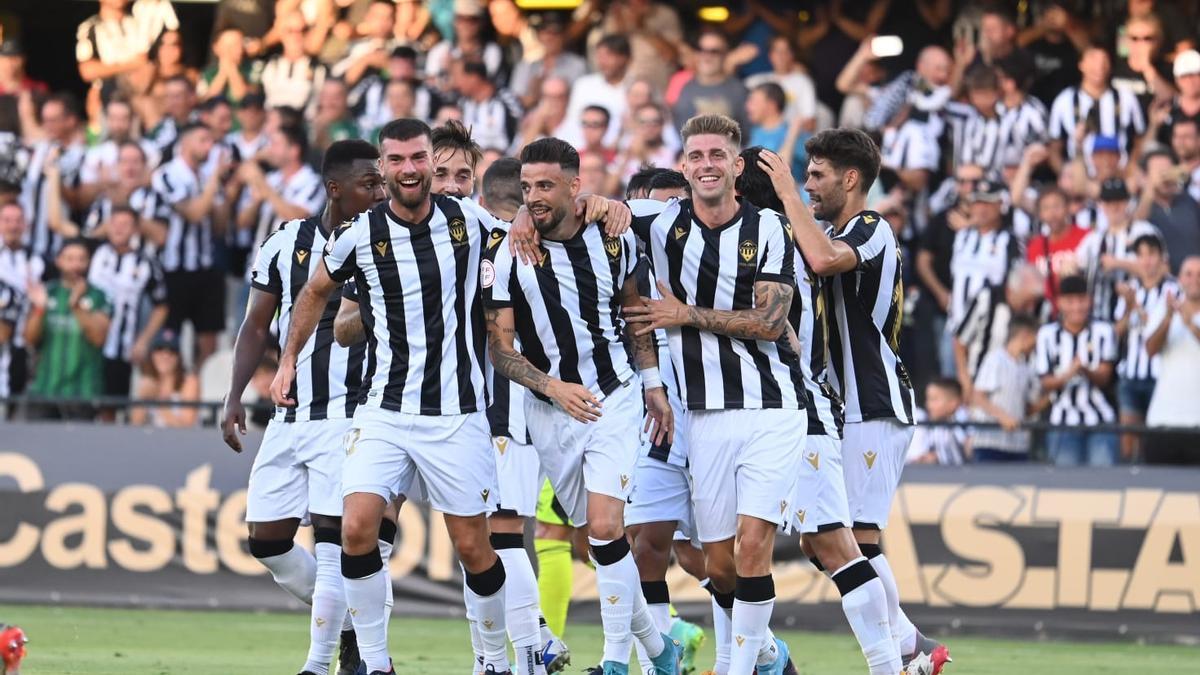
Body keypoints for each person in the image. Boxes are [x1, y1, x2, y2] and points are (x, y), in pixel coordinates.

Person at [272, 119, 509, 675]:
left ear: (430, 161)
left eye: (417, 158)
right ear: (384, 166)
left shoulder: (469, 223)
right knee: (356, 529)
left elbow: (525, 228)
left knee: (474, 548)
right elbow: (314, 292)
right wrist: (287, 359)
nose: (408, 169)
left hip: (457, 412)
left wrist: (600, 204)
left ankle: (495, 661)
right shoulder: (360, 233)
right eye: (397, 160)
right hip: (384, 410)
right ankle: (376, 664)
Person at [618, 113, 809, 675]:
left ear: (737, 165)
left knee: (753, 547)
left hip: (771, 406)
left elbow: (772, 322)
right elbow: (598, 209)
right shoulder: (659, 224)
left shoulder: (770, 228)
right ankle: (770, 653)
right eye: (696, 155)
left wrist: (685, 315)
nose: (706, 165)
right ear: (684, 165)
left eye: (717, 156)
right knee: (719, 565)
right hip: (702, 417)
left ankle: (737, 667)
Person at [483, 137, 677, 675]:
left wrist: (653, 385)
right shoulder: (507, 255)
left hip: (613, 397)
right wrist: (551, 387)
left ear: (575, 184)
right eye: (526, 189)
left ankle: (616, 661)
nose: (534, 197)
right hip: (549, 411)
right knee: (595, 540)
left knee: (605, 528)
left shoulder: (614, 237)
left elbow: (635, 312)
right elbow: (501, 348)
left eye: (545, 185)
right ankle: (661, 650)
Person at [759, 131, 946, 675]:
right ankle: (912, 642)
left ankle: (906, 651)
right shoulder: (835, 228)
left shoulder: (871, 228)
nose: (809, 184)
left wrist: (788, 193)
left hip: (874, 402)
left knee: (852, 542)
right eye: (806, 175)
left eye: (817, 175)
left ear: (850, 179)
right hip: (841, 407)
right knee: (828, 543)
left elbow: (821, 260)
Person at [221, 139, 385, 675]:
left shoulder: (384, 242)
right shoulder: (287, 240)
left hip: (346, 412)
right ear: (336, 189)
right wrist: (233, 395)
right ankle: (353, 622)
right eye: (369, 184)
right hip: (289, 416)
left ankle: (321, 662)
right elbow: (254, 324)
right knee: (266, 541)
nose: (378, 192)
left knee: (333, 538)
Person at [147, 122, 229, 371]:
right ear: (185, 142)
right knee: (169, 342)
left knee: (209, 340)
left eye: (211, 141)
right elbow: (193, 213)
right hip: (173, 269)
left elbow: (220, 225)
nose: (209, 146)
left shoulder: (206, 177)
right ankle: (173, 395)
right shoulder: (168, 174)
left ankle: (198, 391)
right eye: (203, 140)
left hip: (205, 267)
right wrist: (215, 180)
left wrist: (219, 190)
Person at [86, 206, 168, 418]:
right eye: (115, 223)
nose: (119, 229)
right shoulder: (91, 251)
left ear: (136, 230)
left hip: (121, 345)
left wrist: (143, 340)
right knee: (83, 403)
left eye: (126, 224)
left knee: (111, 406)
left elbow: (162, 305)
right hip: (86, 342)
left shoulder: (147, 263)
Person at [23, 239, 112, 420]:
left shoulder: (99, 296)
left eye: (81, 259)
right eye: (70, 259)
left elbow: (98, 338)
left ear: (89, 262)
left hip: (83, 389)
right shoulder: (48, 292)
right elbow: (30, 339)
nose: (76, 265)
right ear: (59, 261)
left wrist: (76, 306)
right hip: (46, 387)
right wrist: (40, 309)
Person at [1035, 274, 1120, 466]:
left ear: (1089, 300)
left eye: (1081, 300)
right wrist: (1069, 373)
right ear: (1060, 303)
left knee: (1103, 483)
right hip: (1062, 420)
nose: (1077, 307)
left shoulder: (1103, 331)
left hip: (1100, 419)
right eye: (1070, 301)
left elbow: (1105, 377)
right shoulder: (1047, 334)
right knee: (1065, 486)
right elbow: (1045, 381)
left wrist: (1085, 371)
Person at [1113, 235, 1179, 460]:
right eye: (1140, 255)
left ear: (1162, 258)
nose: (1146, 261)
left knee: (1155, 442)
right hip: (1130, 376)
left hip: (1162, 377)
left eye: (1151, 254)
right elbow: (1117, 332)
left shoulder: (1176, 290)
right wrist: (1130, 308)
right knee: (1128, 444)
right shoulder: (1130, 291)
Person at [954, 263, 1046, 400]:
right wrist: (964, 379)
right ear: (1011, 291)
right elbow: (960, 340)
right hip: (980, 385)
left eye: (1035, 301)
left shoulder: (1042, 308)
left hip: (1020, 390)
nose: (1031, 307)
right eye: (1027, 301)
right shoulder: (986, 298)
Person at [1047, 47, 1145, 173]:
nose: (1099, 66)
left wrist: (1131, 169)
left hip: (1121, 175)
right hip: (1079, 177)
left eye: (1104, 60)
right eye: (1093, 59)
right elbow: (1054, 147)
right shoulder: (1064, 100)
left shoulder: (1126, 98)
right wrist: (1065, 176)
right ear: (1081, 65)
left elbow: (1140, 139)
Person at [1078, 178, 1163, 323]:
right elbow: (1077, 267)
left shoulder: (1144, 230)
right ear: (1101, 205)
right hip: (1100, 313)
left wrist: (1119, 264)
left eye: (1119, 201)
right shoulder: (1092, 239)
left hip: (1140, 311)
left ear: (1127, 202)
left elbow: (1163, 270)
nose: (1114, 207)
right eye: (1108, 202)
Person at [236, 125, 325, 257]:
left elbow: (297, 217)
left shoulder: (313, 183)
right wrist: (255, 203)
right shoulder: (271, 179)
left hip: (290, 270)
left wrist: (263, 186)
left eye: (275, 144)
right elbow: (242, 223)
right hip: (256, 268)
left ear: (294, 150)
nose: (269, 150)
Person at [1143, 256, 1200, 464]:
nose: (1195, 279)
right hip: (1164, 419)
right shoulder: (1162, 310)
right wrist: (1168, 318)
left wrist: (1190, 323)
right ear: (1179, 279)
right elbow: (1150, 349)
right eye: (1189, 274)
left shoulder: (1185, 316)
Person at [947, 179, 1021, 335]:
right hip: (955, 324)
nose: (982, 209)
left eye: (988, 203)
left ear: (1000, 205)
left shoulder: (1009, 240)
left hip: (989, 328)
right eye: (977, 202)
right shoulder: (962, 236)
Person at [969, 315, 1045, 462]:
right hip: (990, 442)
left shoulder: (1025, 367)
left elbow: (1026, 409)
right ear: (1025, 335)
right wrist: (1002, 417)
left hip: (1017, 445)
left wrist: (1051, 396)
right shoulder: (995, 359)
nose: (1036, 344)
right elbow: (978, 396)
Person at [0, 203, 45, 403]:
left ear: (26, 225)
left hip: (21, 343)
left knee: (13, 400)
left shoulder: (36, 261)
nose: (13, 226)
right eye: (7, 220)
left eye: (18, 221)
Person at [1026, 186, 1090, 312]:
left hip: (1080, 308)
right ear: (1040, 214)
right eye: (1046, 208)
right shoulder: (1035, 245)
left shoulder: (1087, 237)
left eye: (1057, 206)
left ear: (1067, 208)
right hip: (1049, 313)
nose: (1052, 214)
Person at [671, 30, 749, 133]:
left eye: (714, 51)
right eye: (701, 49)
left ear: (725, 55)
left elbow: (749, 135)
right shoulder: (685, 88)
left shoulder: (738, 90)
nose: (706, 56)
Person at [1136, 148, 1200, 274]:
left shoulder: (1188, 200)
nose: (1165, 175)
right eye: (1159, 171)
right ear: (1145, 176)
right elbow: (1137, 223)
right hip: (1164, 283)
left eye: (1169, 170)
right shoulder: (1142, 205)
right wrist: (1152, 187)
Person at [562, 34, 631, 149]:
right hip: (581, 152)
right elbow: (572, 122)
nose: (603, 62)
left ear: (624, 58)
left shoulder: (637, 88)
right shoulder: (584, 84)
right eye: (600, 56)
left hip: (622, 153)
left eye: (609, 56)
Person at [509, 13, 587, 110]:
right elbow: (515, 102)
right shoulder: (526, 65)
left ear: (563, 36)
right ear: (538, 36)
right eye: (545, 32)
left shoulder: (577, 65)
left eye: (555, 33)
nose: (550, 38)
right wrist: (535, 94)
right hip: (532, 120)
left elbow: (581, 100)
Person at [129, 329, 200, 427]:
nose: (165, 355)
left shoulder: (189, 382)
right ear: (152, 354)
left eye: (172, 351)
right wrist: (142, 399)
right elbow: (135, 425)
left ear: (179, 356)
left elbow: (187, 427)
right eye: (159, 349)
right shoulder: (147, 381)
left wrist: (160, 401)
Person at [454, 61, 522, 155]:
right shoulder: (462, 103)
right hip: (471, 158)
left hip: (502, 158)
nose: (456, 84)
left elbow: (520, 128)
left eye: (459, 78)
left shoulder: (505, 98)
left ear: (474, 78)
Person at [906, 379, 967, 466]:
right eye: (928, 399)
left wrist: (938, 457)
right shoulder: (925, 424)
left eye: (934, 400)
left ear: (953, 403)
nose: (928, 405)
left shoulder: (961, 425)